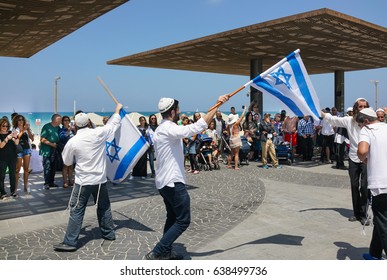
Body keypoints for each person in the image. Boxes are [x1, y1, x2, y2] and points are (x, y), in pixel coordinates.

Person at [145, 94, 229, 260]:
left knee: (172, 217)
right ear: (174, 111)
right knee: (183, 220)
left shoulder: (161, 129)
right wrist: (217, 104)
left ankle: (166, 251)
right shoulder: (169, 128)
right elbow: (197, 127)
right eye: (179, 109)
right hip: (173, 182)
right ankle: (157, 251)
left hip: (163, 182)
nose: (180, 111)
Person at [53, 103, 123, 252]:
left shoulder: (73, 141)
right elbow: (113, 124)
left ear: (75, 126)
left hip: (83, 182)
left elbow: (66, 161)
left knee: (77, 210)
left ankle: (70, 242)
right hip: (100, 180)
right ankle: (109, 233)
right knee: (104, 207)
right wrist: (117, 110)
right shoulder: (98, 133)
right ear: (88, 122)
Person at [321, 98, 370, 225]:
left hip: (367, 159)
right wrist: (318, 112)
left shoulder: (371, 122)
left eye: (365, 106)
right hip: (353, 158)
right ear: (356, 108)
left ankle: (364, 214)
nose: (362, 109)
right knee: (354, 186)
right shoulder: (349, 121)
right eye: (360, 106)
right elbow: (333, 119)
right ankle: (356, 212)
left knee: (364, 187)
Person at [357, 108, 387, 260]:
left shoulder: (367, 130)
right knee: (381, 220)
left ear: (366, 121)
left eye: (360, 124)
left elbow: (362, 151)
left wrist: (365, 160)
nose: (360, 127)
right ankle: (374, 253)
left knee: (383, 220)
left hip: (381, 183)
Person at [13, 114, 34, 195]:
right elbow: (16, 138)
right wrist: (23, 130)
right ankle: (15, 188)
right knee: (17, 169)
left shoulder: (27, 128)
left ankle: (25, 186)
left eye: (22, 119)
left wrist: (28, 130)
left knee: (26, 169)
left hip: (27, 149)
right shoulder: (15, 129)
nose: (21, 121)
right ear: (16, 121)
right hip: (19, 150)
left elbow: (32, 138)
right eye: (19, 120)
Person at [40, 114, 62, 190]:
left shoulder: (58, 127)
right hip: (47, 151)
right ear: (55, 120)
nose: (61, 121)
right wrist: (51, 144)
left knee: (53, 167)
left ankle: (51, 182)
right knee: (47, 167)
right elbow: (42, 139)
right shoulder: (46, 127)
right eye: (60, 120)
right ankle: (46, 183)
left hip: (55, 151)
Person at [0, 118, 19, 199]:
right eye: (3, 125)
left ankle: (13, 191)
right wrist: (7, 138)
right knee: (1, 176)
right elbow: (1, 146)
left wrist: (15, 138)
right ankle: (2, 192)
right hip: (2, 158)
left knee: (12, 175)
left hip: (12, 157)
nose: (5, 127)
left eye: (7, 126)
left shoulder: (11, 133)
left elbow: (17, 143)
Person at [59, 116, 76, 188]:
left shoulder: (72, 129)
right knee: (66, 165)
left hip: (73, 149)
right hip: (65, 149)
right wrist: (68, 131)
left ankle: (71, 181)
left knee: (71, 166)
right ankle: (65, 181)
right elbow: (62, 138)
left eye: (68, 120)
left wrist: (74, 130)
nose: (66, 122)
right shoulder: (61, 130)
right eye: (65, 120)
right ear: (62, 122)